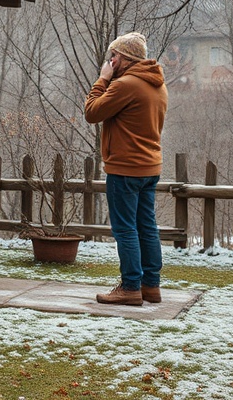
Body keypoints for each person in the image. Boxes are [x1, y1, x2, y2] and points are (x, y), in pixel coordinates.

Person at [84, 32, 168, 306]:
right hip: (149, 166)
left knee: (125, 230)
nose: (110, 60)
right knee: (147, 226)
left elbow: (92, 112)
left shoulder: (126, 84)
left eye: (114, 56)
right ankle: (150, 286)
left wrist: (103, 79)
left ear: (125, 59)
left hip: (125, 168)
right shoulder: (156, 84)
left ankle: (130, 287)